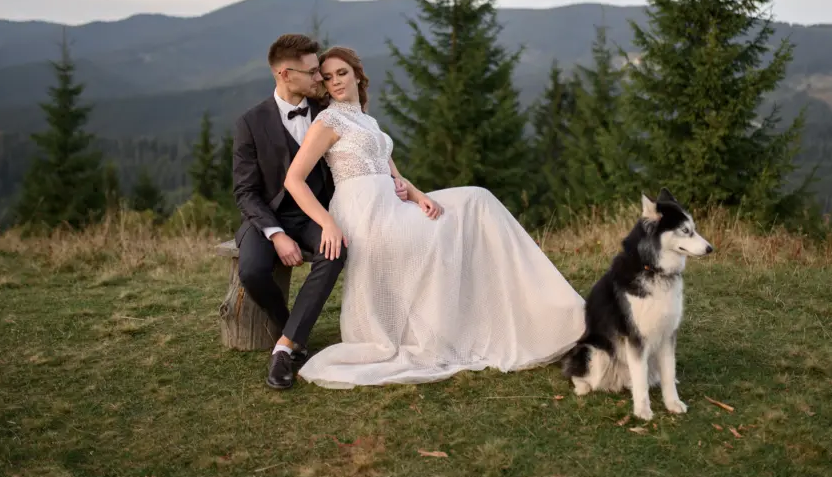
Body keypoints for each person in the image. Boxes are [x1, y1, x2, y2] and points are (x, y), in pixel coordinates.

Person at [283, 46, 586, 388]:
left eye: (342, 73)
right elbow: (293, 180)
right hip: (364, 213)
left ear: (356, 75)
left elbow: (391, 171)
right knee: (469, 209)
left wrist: (418, 196)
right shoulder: (329, 120)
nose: (335, 81)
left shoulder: (367, 120)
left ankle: (549, 309)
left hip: (393, 204)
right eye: (327, 77)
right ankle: (490, 318)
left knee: (477, 201)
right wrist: (327, 223)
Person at [231, 34, 408, 390]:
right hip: (267, 217)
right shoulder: (250, 122)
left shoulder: (330, 113)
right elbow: (245, 191)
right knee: (252, 270)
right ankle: (292, 331)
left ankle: (284, 348)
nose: (320, 79)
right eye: (312, 72)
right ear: (284, 73)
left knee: (335, 250)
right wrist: (275, 234)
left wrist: (403, 187)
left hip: (314, 216)